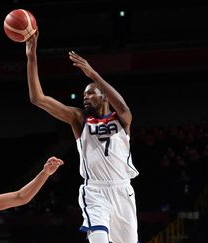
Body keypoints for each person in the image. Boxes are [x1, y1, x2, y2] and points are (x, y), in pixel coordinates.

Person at [25, 31, 139, 243]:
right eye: (84, 94)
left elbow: (122, 106)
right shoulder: (79, 118)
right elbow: (37, 99)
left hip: (123, 190)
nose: (85, 97)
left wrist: (93, 75)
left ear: (103, 95)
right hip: (95, 191)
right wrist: (32, 56)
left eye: (90, 93)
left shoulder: (122, 119)